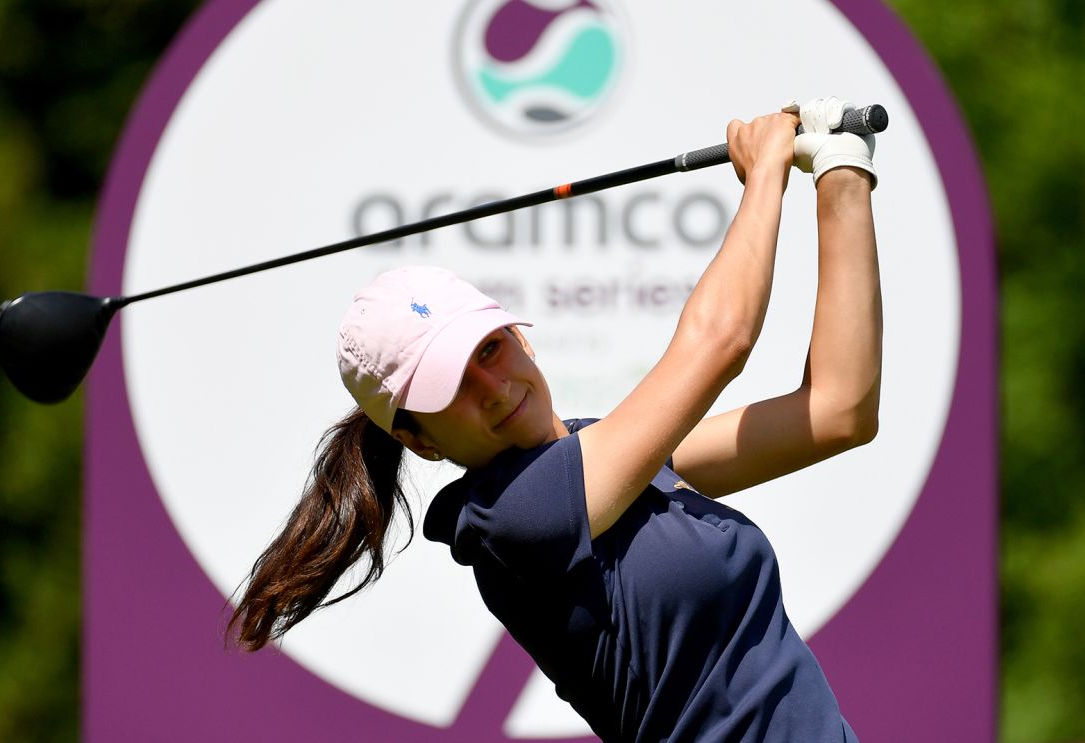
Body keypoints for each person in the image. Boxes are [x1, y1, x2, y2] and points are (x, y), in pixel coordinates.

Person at [228, 97, 881, 742]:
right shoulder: (513, 520)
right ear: (419, 441)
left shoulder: (600, 453)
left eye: (489, 348)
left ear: (522, 336)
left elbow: (836, 412)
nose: (490, 384)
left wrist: (840, 171)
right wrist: (765, 171)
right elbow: (720, 343)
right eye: (450, 384)